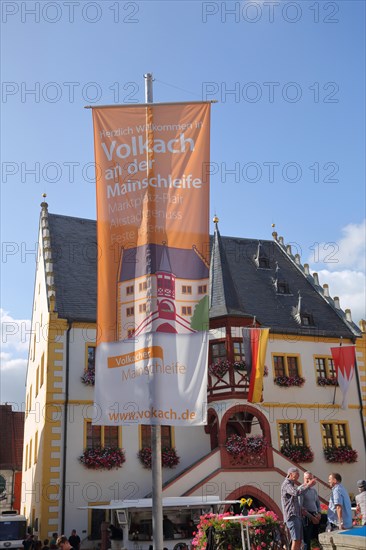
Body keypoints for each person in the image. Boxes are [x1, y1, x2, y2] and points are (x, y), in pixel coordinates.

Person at [281, 466, 317, 550]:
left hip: (296, 515)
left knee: (298, 540)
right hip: (292, 515)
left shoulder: (291, 484)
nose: (298, 476)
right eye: (296, 474)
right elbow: (296, 493)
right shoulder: (287, 484)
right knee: (296, 540)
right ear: (290, 474)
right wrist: (308, 485)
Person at [300, 471, 321, 550]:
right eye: (307, 479)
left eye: (310, 478)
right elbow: (300, 507)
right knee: (306, 541)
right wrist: (312, 517)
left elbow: (318, 504)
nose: (309, 480)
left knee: (316, 539)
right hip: (306, 517)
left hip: (315, 515)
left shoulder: (313, 490)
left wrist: (319, 513)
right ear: (304, 479)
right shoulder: (301, 489)